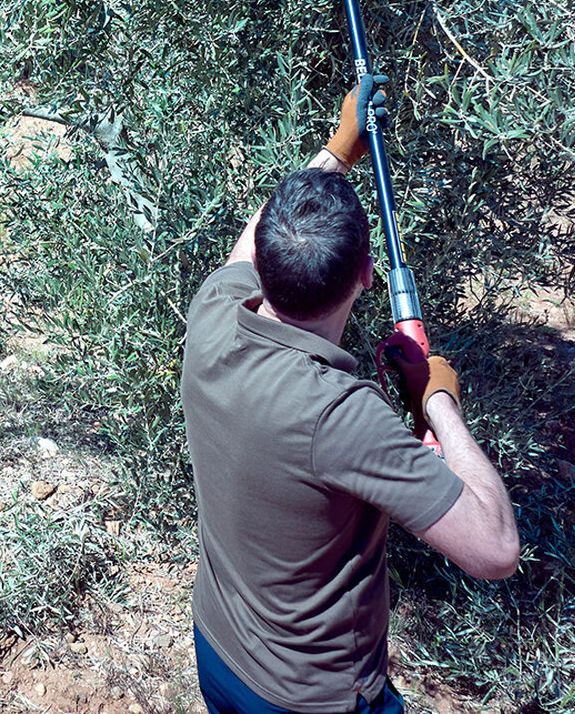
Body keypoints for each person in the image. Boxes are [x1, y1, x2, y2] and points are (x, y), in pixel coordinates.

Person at [181, 84, 520, 714]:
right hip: (309, 699)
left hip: (219, 652)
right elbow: (496, 550)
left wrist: (338, 151)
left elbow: (257, 236)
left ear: (266, 267)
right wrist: (437, 400)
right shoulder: (339, 415)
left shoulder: (213, 315)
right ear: (367, 274)